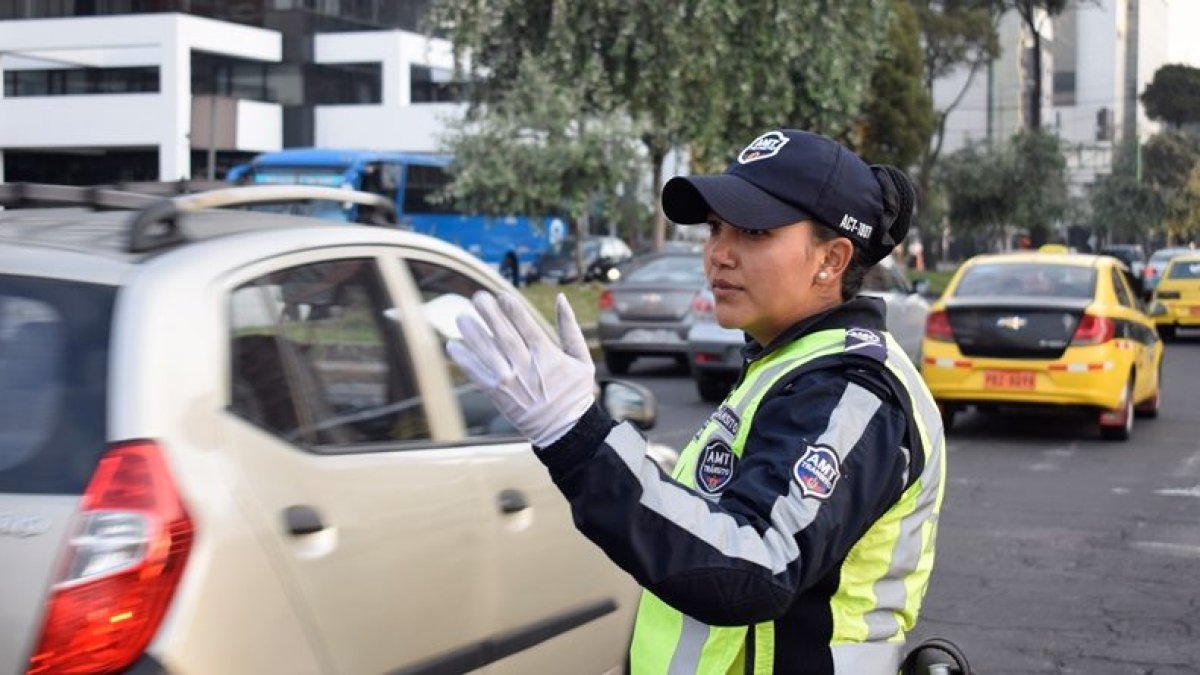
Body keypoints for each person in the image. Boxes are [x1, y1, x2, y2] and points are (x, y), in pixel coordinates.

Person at [447, 129, 946, 674]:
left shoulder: (853, 388)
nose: (718, 254)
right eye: (715, 228)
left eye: (754, 231)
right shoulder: (784, 367)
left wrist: (580, 438)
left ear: (831, 260)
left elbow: (752, 568)